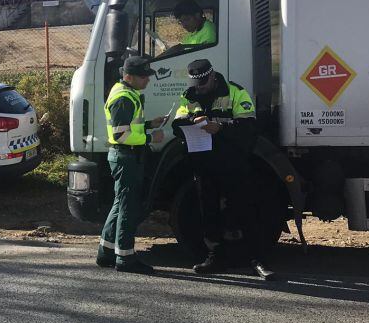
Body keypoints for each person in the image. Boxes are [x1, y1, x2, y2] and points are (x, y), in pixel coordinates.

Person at [171, 59, 276, 280]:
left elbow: (249, 127)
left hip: (232, 163)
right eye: (195, 83)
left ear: (212, 76)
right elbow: (177, 125)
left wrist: (220, 128)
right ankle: (215, 257)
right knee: (208, 212)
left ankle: (258, 260)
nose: (198, 87)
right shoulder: (189, 95)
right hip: (203, 163)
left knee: (244, 210)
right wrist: (190, 121)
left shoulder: (236, 92)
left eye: (202, 82)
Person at [97, 55, 168, 274]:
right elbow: (121, 135)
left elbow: (128, 127)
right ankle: (125, 258)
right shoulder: (124, 98)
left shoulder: (127, 94)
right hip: (126, 156)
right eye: (143, 76)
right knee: (128, 207)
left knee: (120, 204)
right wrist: (150, 138)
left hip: (124, 156)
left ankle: (106, 252)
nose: (147, 80)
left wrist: (148, 124)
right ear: (129, 76)